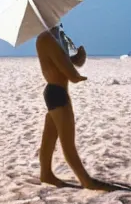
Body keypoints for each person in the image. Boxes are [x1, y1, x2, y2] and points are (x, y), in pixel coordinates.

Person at [36, 24, 114, 191]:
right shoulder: (47, 39)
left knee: (49, 136)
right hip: (57, 93)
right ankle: (86, 181)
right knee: (68, 141)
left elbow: (71, 63)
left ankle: (46, 174)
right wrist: (77, 75)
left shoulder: (53, 38)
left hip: (56, 92)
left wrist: (79, 56)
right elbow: (71, 74)